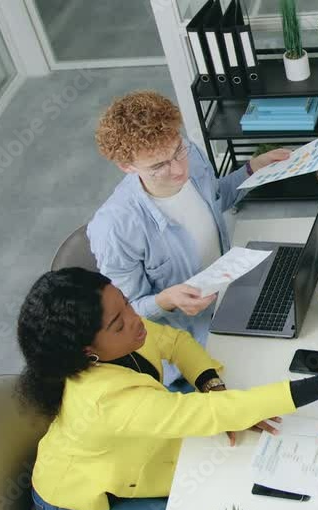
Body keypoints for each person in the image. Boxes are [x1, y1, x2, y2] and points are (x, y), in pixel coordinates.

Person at [21, 268, 318, 510]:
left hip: (132, 463)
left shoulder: (125, 338)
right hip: (81, 506)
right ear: (87, 350)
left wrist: (213, 388)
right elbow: (206, 413)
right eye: (119, 321)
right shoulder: (103, 401)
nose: (137, 319)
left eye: (125, 302)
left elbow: (174, 340)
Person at [87, 91, 291, 385]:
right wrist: (166, 299)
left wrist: (252, 169)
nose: (179, 169)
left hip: (230, 294)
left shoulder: (190, 154)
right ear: (127, 167)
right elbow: (128, 311)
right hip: (190, 345)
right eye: (158, 166)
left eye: (177, 151)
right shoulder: (115, 229)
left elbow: (216, 197)